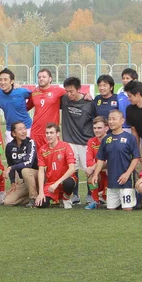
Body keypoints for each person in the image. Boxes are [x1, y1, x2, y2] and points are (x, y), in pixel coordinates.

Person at [91, 110, 140, 211]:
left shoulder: (130, 138)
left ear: (122, 121)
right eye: (109, 119)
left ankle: (140, 197)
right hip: (111, 183)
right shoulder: (106, 139)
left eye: (114, 119)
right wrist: (96, 174)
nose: (111, 121)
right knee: (111, 209)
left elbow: (136, 158)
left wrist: (127, 174)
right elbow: (100, 158)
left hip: (125, 182)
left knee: (127, 209)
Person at [60, 76, 95, 204]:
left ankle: (91, 195)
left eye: (72, 91)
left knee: (89, 169)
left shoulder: (89, 103)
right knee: (72, 169)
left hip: (86, 141)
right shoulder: (63, 99)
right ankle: (75, 195)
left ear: (78, 89)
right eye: (67, 91)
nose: (69, 94)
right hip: (69, 140)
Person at [35, 123, 77, 209]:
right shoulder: (43, 149)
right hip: (51, 183)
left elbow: (72, 168)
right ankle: (57, 198)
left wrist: (57, 183)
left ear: (57, 134)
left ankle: (66, 198)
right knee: (41, 204)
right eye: (47, 133)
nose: (49, 135)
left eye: (51, 133)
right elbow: (41, 171)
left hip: (63, 181)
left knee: (69, 182)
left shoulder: (65, 146)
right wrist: (41, 192)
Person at [27, 68, 66, 152]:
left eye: (44, 77)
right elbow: (26, 108)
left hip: (51, 132)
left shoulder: (59, 91)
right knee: (36, 161)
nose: (41, 79)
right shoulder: (34, 92)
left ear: (50, 79)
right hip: (36, 133)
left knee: (53, 159)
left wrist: (85, 95)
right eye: (39, 77)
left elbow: (73, 93)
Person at [3, 122, 38, 208]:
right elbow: (10, 164)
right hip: (24, 180)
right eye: (20, 129)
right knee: (8, 202)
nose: (23, 131)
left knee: (25, 170)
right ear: (14, 133)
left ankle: (33, 198)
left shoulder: (30, 142)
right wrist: (13, 182)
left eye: (24, 128)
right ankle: (36, 195)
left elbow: (28, 163)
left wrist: (12, 167)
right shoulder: (9, 147)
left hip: (36, 176)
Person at [0, 68, 32, 145]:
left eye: (5, 79)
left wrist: (27, 107)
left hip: (26, 127)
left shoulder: (20, 91)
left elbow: (34, 96)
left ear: (12, 81)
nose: (2, 82)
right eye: (1, 80)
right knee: (11, 154)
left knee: (28, 155)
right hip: (10, 129)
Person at [117, 68, 142, 133]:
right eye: (123, 78)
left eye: (127, 78)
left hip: (139, 128)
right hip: (123, 128)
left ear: (135, 80)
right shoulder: (119, 95)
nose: (125, 80)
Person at [85, 116, 109, 209]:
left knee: (110, 170)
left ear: (106, 128)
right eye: (94, 128)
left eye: (99, 128)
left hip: (108, 172)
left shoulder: (110, 140)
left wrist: (95, 167)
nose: (96, 130)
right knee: (89, 173)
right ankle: (95, 200)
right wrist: (94, 168)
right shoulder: (91, 142)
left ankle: (106, 197)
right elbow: (89, 160)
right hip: (97, 172)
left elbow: (110, 161)